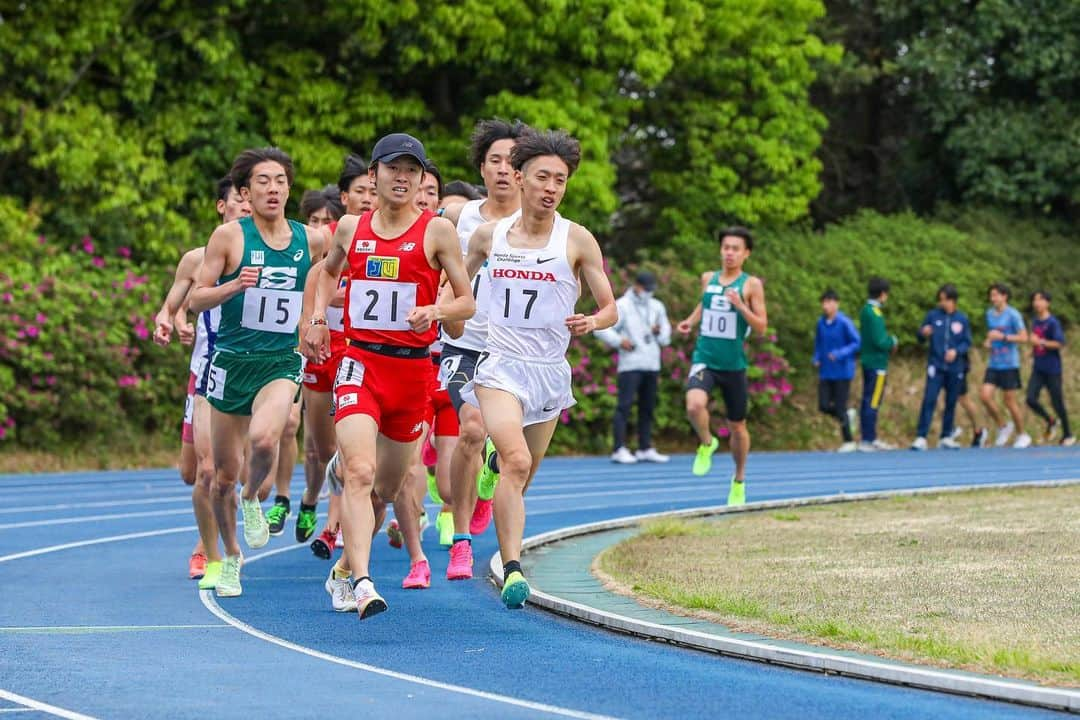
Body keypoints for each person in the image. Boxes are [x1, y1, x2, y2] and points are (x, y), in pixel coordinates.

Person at [304, 132, 475, 618]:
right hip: (360, 361)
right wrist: (318, 317)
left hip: (412, 372)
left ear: (421, 179)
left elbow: (466, 300)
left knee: (384, 487)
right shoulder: (350, 229)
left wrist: (436, 311)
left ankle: (342, 568)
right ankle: (361, 581)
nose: (401, 178)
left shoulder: (436, 232)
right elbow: (326, 274)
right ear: (373, 175)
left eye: (411, 171)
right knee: (359, 471)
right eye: (392, 169)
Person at [457, 129, 617, 609]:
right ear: (519, 177)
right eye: (543, 177)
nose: (551, 188)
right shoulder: (490, 235)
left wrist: (593, 319)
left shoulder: (578, 239)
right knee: (518, 461)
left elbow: (610, 306)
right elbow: (459, 286)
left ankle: (492, 464)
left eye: (561, 180)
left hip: (549, 371)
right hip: (499, 365)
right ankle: (512, 569)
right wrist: (439, 311)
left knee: (523, 476)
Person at [189, 147, 322, 598]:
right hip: (230, 362)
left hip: (281, 362)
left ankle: (252, 500)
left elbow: (330, 279)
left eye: (280, 180)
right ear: (245, 192)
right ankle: (229, 557)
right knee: (221, 475)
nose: (273, 188)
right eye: (263, 181)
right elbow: (197, 299)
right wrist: (234, 285)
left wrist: (314, 320)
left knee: (267, 438)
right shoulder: (229, 238)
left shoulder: (311, 240)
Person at [439, 119, 532, 582]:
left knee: (517, 454)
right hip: (465, 345)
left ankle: (494, 471)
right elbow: (444, 273)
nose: (502, 170)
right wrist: (444, 311)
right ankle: (460, 539)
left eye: (512, 162)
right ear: (482, 167)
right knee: (471, 428)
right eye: (494, 160)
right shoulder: (462, 218)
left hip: (516, 355)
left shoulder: (538, 225)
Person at [152, 176, 251, 584]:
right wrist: (170, 322)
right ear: (221, 207)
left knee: (215, 471)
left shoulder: (269, 257)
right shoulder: (197, 260)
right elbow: (173, 306)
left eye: (251, 202)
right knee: (191, 472)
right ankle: (215, 539)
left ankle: (211, 553)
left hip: (244, 371)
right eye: (239, 202)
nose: (246, 208)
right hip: (204, 369)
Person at [677, 227, 768, 506]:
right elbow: (706, 304)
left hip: (733, 364)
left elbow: (762, 327)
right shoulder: (708, 278)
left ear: (746, 254)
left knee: (738, 427)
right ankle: (707, 443)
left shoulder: (751, 284)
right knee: (693, 405)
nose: (729, 253)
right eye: (726, 247)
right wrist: (690, 322)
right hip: (705, 357)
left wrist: (740, 305)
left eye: (735, 249)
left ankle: (739, 480)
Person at [594, 270, 672, 463]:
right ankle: (618, 448)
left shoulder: (657, 306)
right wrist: (620, 341)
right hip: (630, 365)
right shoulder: (622, 305)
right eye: (646, 289)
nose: (649, 293)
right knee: (624, 406)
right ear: (637, 286)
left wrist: (658, 332)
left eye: (651, 289)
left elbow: (666, 338)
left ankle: (645, 447)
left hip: (652, 363)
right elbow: (601, 329)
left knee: (648, 407)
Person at [911, 284, 971, 450]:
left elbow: (967, 342)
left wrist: (956, 351)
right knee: (929, 399)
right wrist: (923, 333)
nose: (942, 303)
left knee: (951, 401)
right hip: (936, 365)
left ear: (953, 301)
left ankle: (946, 436)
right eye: (941, 300)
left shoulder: (962, 318)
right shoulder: (932, 316)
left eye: (945, 300)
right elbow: (920, 337)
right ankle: (921, 436)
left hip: (955, 367)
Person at [980, 282, 1031, 448]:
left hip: (1009, 363)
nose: (992, 298)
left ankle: (1022, 434)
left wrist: (1003, 337)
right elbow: (991, 334)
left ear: (1004, 296)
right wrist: (988, 341)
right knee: (985, 396)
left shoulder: (1013, 315)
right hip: (994, 362)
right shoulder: (989, 314)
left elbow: (1024, 338)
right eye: (991, 295)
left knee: (1009, 401)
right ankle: (1003, 426)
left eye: (995, 295)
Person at [811, 288, 860, 452]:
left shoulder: (844, 322)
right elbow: (818, 343)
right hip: (826, 371)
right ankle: (848, 415)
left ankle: (849, 441)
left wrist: (839, 354)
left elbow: (856, 342)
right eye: (824, 302)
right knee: (823, 405)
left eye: (829, 302)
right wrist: (816, 358)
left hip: (842, 371)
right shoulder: (820, 323)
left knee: (839, 406)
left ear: (836, 304)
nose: (826, 306)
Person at [1027, 290, 1074, 446]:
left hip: (1052, 368)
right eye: (1035, 300)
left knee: (1057, 401)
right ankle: (1051, 420)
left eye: (1040, 300)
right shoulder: (1035, 321)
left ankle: (1068, 434)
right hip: (1038, 368)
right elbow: (1035, 341)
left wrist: (1040, 342)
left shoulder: (1053, 322)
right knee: (1030, 399)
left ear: (1047, 303)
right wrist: (1032, 350)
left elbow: (1059, 343)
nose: (1037, 303)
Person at [857, 277, 898, 451]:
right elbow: (880, 340)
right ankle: (869, 438)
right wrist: (893, 341)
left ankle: (868, 437)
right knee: (873, 401)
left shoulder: (864, 310)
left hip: (867, 361)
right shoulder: (875, 313)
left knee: (867, 398)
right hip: (877, 363)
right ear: (883, 294)